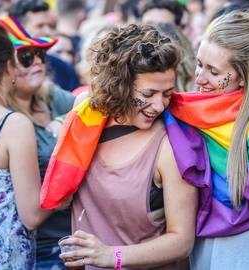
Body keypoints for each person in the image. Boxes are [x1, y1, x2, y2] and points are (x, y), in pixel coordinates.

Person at [41, 24, 201, 269]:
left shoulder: (170, 147)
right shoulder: (86, 114)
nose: (159, 105)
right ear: (119, 85)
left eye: (167, 93)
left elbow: (181, 241)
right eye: (148, 94)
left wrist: (112, 255)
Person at [166, 10, 249, 270]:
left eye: (214, 72)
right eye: (200, 63)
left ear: (245, 77)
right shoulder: (189, 111)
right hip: (201, 252)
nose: (200, 78)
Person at [0, 23, 68, 269]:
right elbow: (32, 215)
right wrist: (65, 193)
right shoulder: (13, 124)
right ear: (9, 67)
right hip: (2, 257)